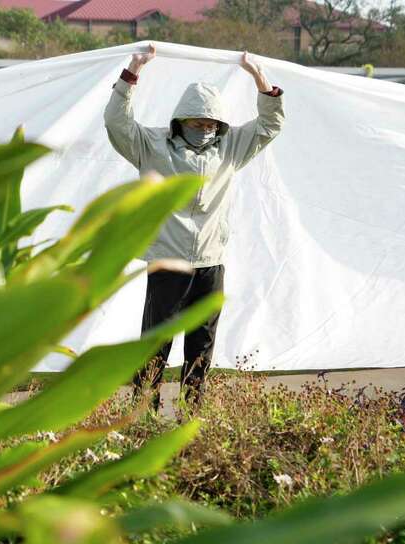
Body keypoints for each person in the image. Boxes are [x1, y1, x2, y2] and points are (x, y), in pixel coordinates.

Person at [104, 44, 285, 409]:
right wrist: (132, 72)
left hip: (210, 263)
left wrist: (258, 78)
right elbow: (116, 123)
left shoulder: (230, 147)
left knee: (201, 344)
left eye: (211, 124)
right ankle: (143, 416)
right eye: (197, 123)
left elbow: (270, 124)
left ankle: (191, 416)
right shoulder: (152, 146)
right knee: (156, 343)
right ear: (181, 121)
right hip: (169, 261)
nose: (205, 130)